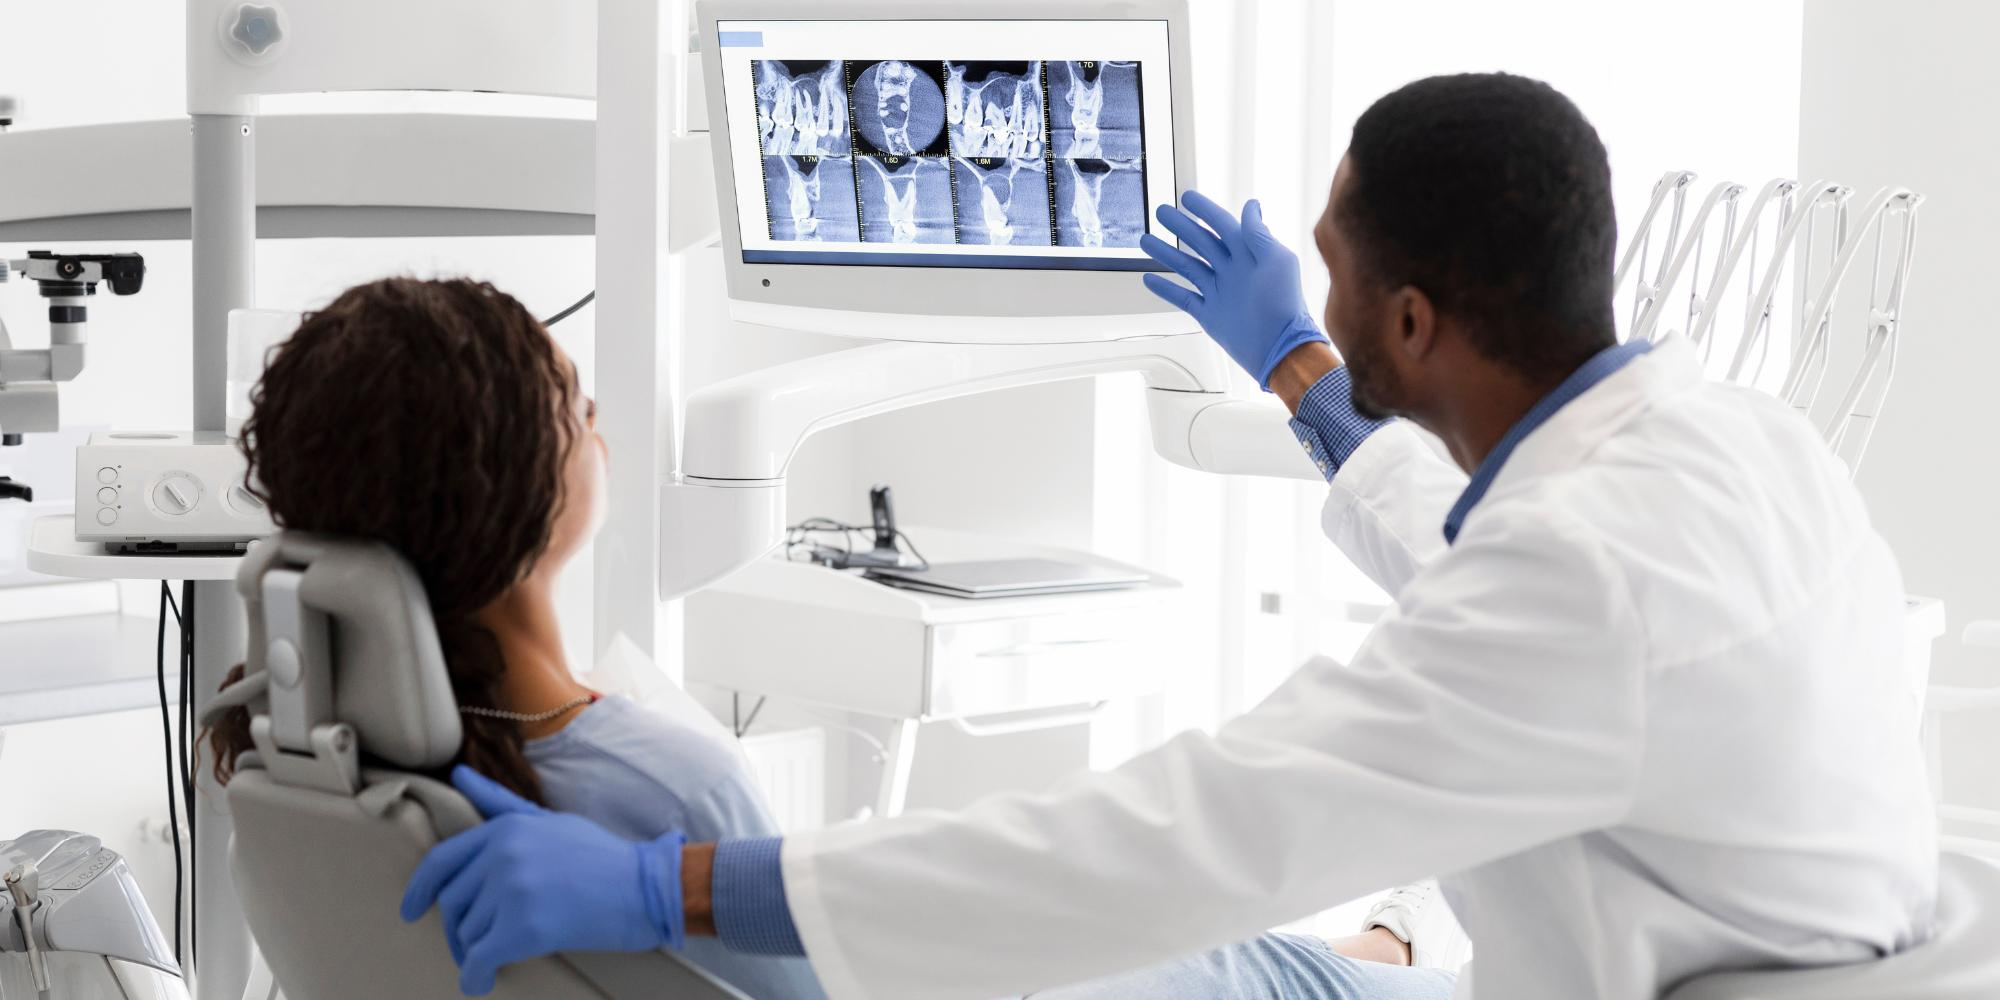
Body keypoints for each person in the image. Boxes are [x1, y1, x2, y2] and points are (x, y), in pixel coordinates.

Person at [403, 73, 1938, 1000]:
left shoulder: (1581, 580)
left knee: (1162, 932)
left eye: (1331, 271)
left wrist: (664, 885)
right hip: (1696, 901)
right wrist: (1300, 375)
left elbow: (1181, 832)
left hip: (1638, 963)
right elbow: (1485, 546)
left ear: (1413, 315)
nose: (1313, 291)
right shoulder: (1729, 439)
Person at [200, 277, 826, 1000]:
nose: (594, 413)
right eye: (568, 401)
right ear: (506, 486)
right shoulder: (675, 793)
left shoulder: (295, 770)